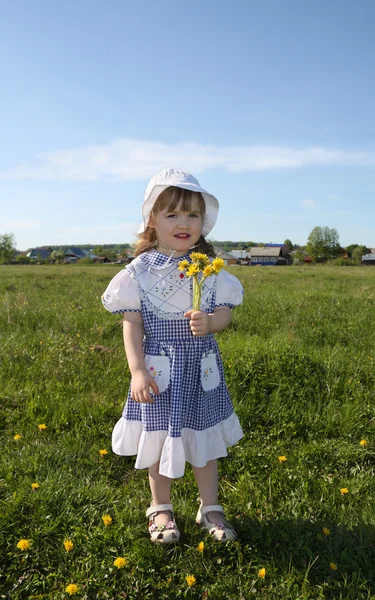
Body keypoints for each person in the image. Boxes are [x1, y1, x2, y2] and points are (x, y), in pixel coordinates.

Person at [102, 169, 244, 544]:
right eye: (172, 215)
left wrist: (212, 322)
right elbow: (131, 325)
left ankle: (209, 506)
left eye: (193, 215)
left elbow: (226, 313)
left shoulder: (209, 269)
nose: (184, 223)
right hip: (159, 374)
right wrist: (136, 371)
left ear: (203, 221)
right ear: (152, 219)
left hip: (200, 373)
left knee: (204, 442)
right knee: (158, 439)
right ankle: (160, 507)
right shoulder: (138, 273)